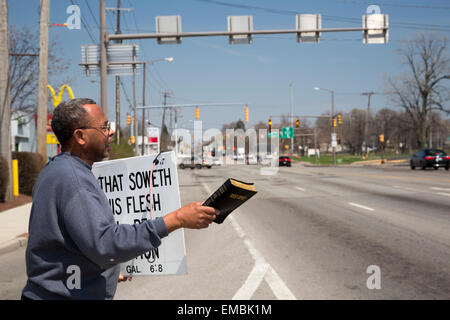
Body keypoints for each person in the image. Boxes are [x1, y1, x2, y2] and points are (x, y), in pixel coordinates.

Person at [21, 98, 218, 300]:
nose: (111, 131)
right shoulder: (75, 180)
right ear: (80, 136)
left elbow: (69, 243)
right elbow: (105, 244)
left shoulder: (55, 169)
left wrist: (106, 272)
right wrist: (176, 219)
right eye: (104, 127)